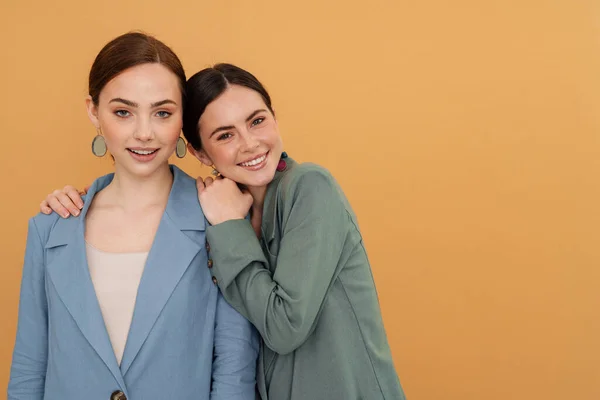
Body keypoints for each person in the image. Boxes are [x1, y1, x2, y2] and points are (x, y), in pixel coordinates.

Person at [41, 63, 406, 400]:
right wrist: (84, 200)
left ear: (275, 117)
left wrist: (230, 227)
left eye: (257, 121)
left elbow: (285, 326)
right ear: (201, 154)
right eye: (225, 135)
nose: (249, 143)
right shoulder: (224, 208)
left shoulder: (310, 188)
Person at [9, 34, 258, 400]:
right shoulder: (50, 227)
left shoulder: (221, 218)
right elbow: (30, 367)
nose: (144, 133)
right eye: (123, 111)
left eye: (162, 112)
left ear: (181, 119)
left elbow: (234, 369)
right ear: (94, 112)